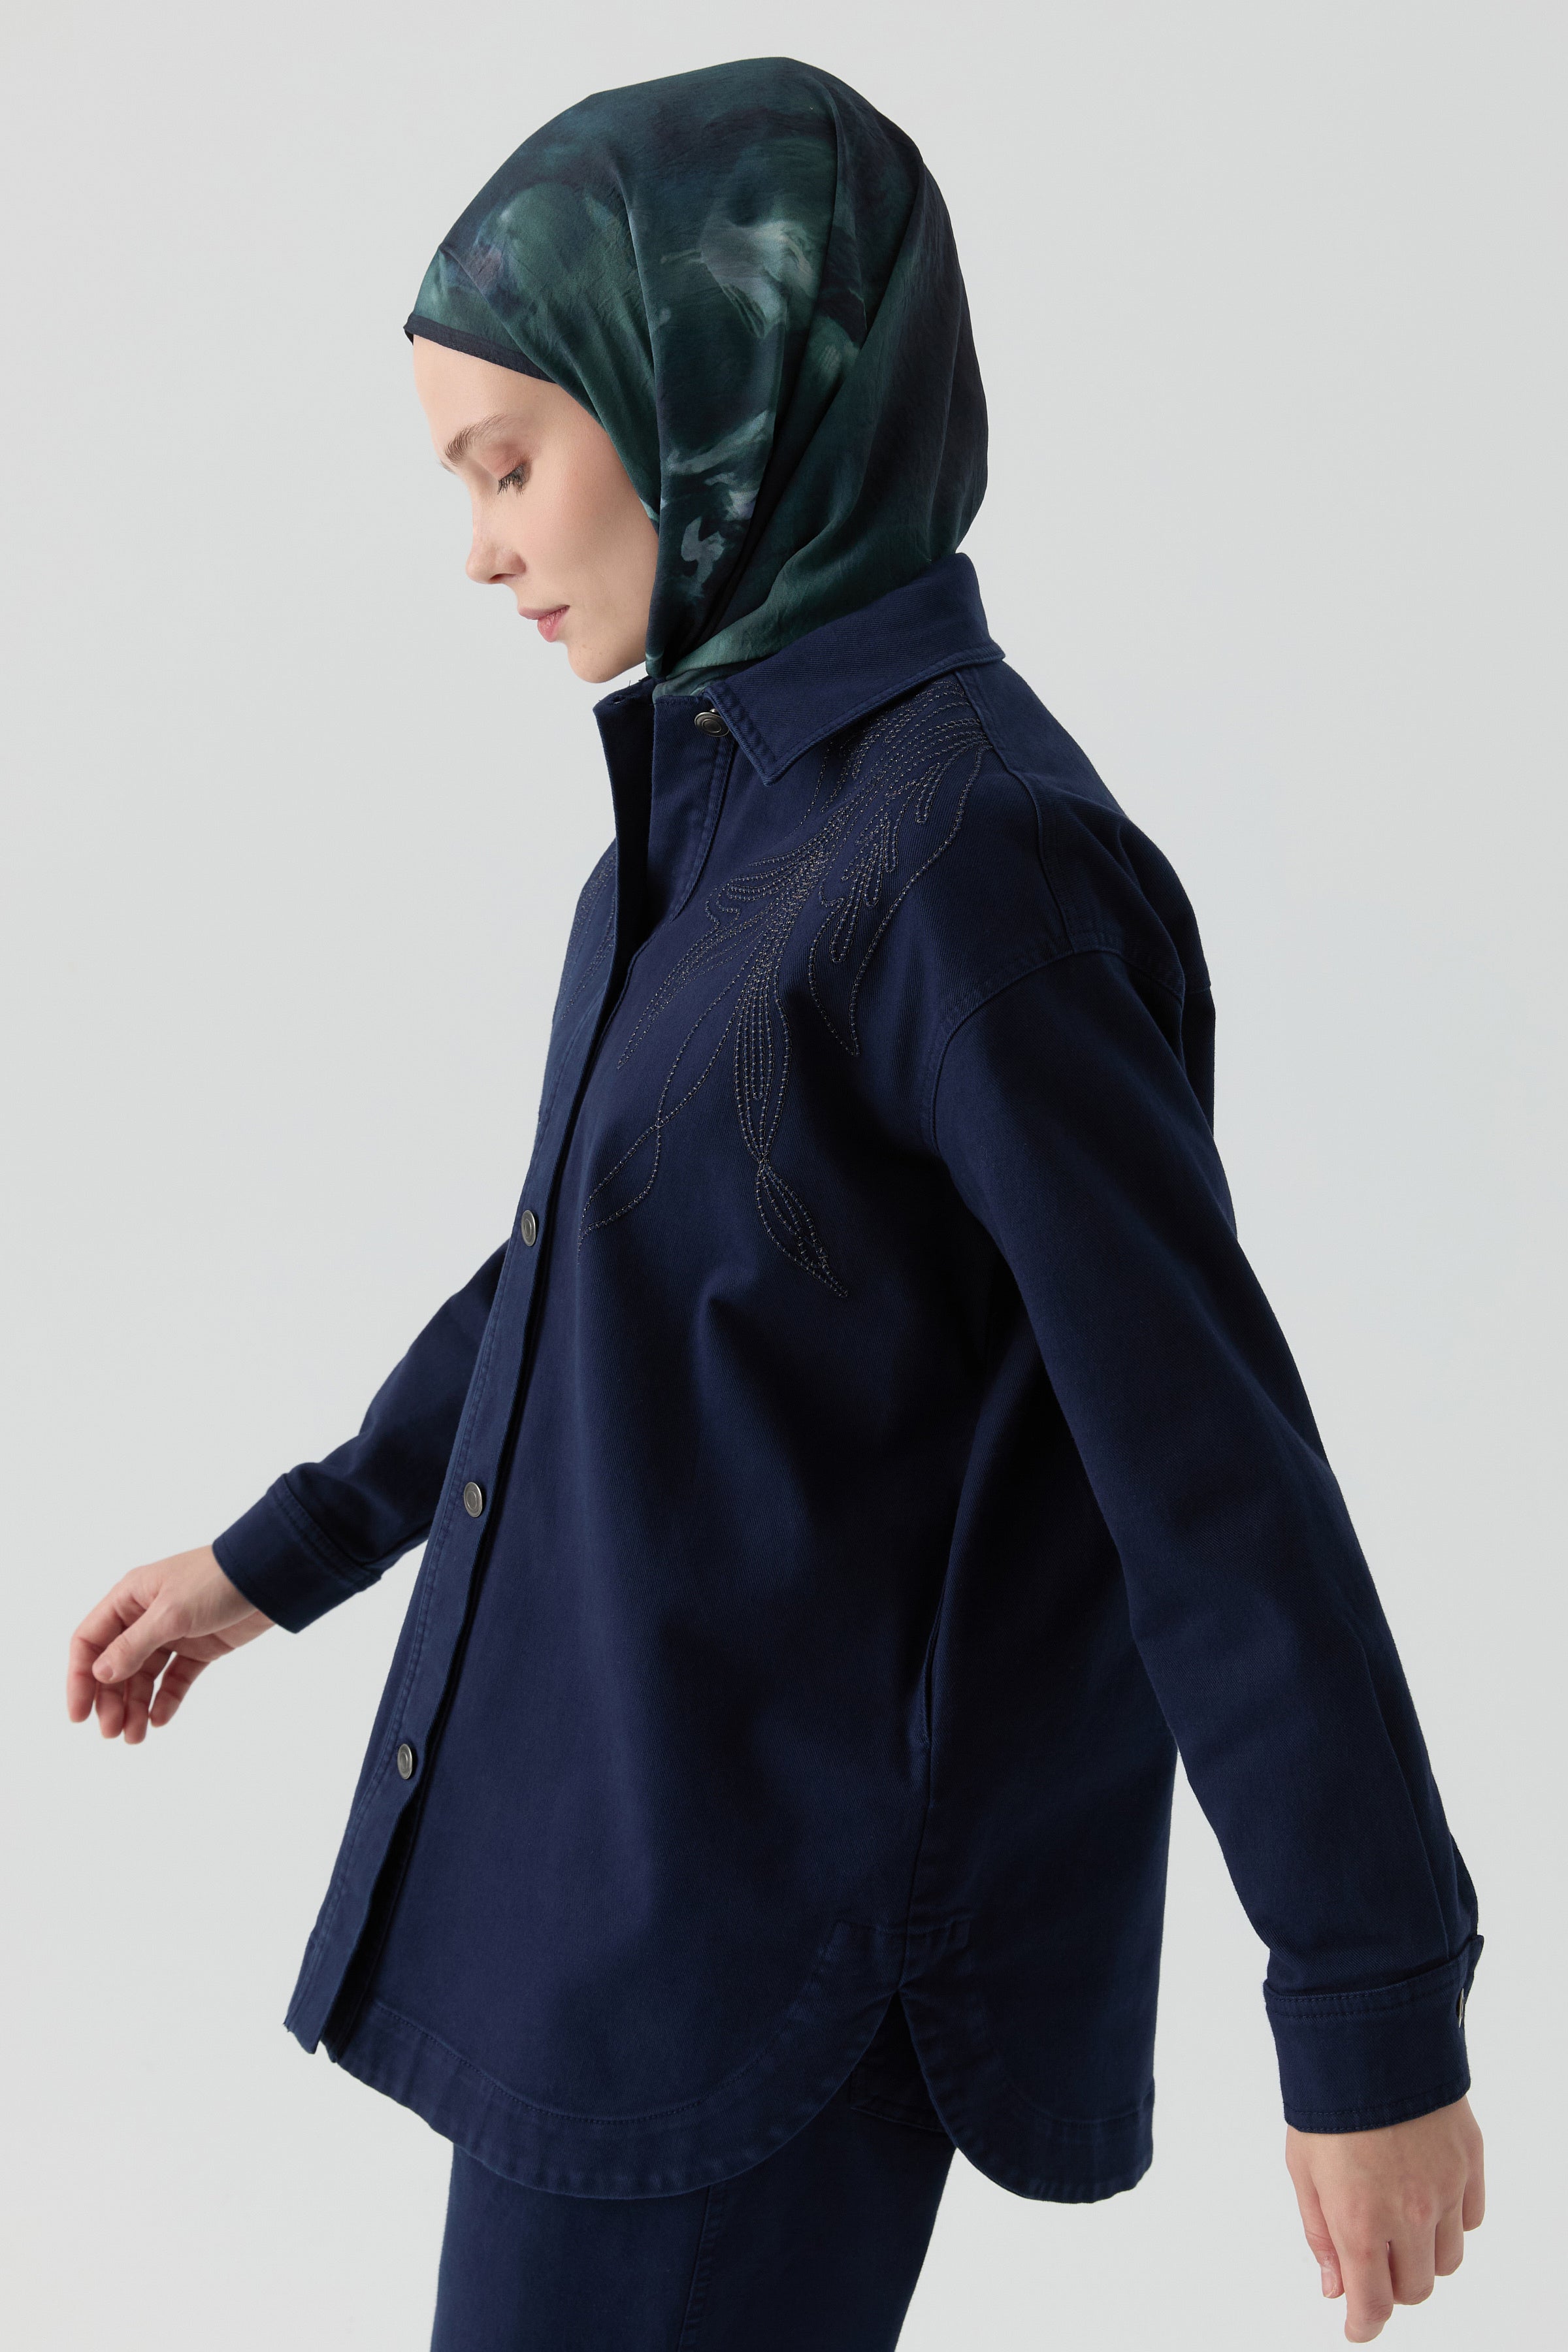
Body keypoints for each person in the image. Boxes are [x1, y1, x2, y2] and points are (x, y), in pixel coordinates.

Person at [65, 56, 1484, 2352]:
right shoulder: (730, 817)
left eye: (508, 463)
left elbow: (1207, 1470)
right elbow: (591, 1268)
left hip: (767, 1981)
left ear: (711, 398)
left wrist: (1372, 2013)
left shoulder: (974, 869)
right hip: (615, 1926)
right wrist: (281, 1558)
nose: (482, 550)